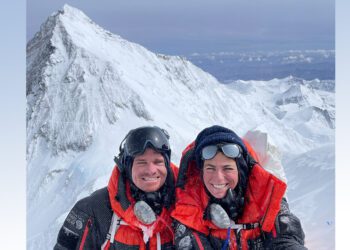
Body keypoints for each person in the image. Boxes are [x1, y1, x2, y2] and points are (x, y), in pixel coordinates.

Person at [171, 125, 307, 250]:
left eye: (227, 168)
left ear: (240, 171)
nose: (218, 177)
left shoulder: (266, 197)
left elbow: (286, 239)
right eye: (210, 168)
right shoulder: (189, 208)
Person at [54, 126, 178, 250]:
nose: (151, 170)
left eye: (158, 162)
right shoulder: (92, 211)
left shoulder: (185, 209)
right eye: (141, 162)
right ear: (127, 168)